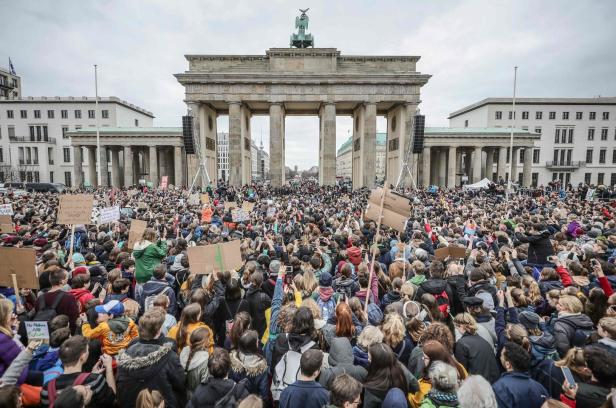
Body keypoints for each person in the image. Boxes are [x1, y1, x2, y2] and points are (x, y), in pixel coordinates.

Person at [116, 308, 186, 408]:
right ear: (158, 331)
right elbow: (180, 382)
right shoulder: (169, 356)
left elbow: (120, 383)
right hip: (161, 403)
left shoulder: (127, 352)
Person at [39, 336, 115, 408]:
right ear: (82, 356)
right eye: (87, 350)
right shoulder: (95, 380)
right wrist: (108, 368)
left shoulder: (46, 388)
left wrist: (92, 374)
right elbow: (112, 399)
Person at [492, 342, 548, 408]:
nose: (500, 357)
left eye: (501, 356)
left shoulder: (500, 388)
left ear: (508, 364)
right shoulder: (540, 388)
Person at [363, 343, 419, 408]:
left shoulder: (372, 387)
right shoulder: (401, 368)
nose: (368, 360)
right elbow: (415, 385)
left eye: (369, 358)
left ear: (376, 363)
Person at [453, 313, 500, 383]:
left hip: (479, 386)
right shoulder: (482, 340)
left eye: (456, 328)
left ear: (461, 326)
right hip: (493, 383)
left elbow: (462, 372)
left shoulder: (461, 344)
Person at [34, 267, 79, 333]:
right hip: (63, 334)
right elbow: (74, 318)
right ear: (62, 281)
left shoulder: (40, 298)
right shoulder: (68, 297)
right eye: (67, 277)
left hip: (45, 334)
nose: (68, 279)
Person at [229, 330, 269, 402]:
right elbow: (263, 393)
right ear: (253, 346)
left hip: (235, 401)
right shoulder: (261, 366)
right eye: (257, 341)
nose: (258, 341)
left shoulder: (232, 359)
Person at [179, 327, 210, 398]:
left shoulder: (183, 351)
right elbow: (205, 382)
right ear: (203, 342)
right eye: (208, 338)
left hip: (182, 394)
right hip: (197, 397)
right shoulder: (204, 359)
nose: (210, 341)